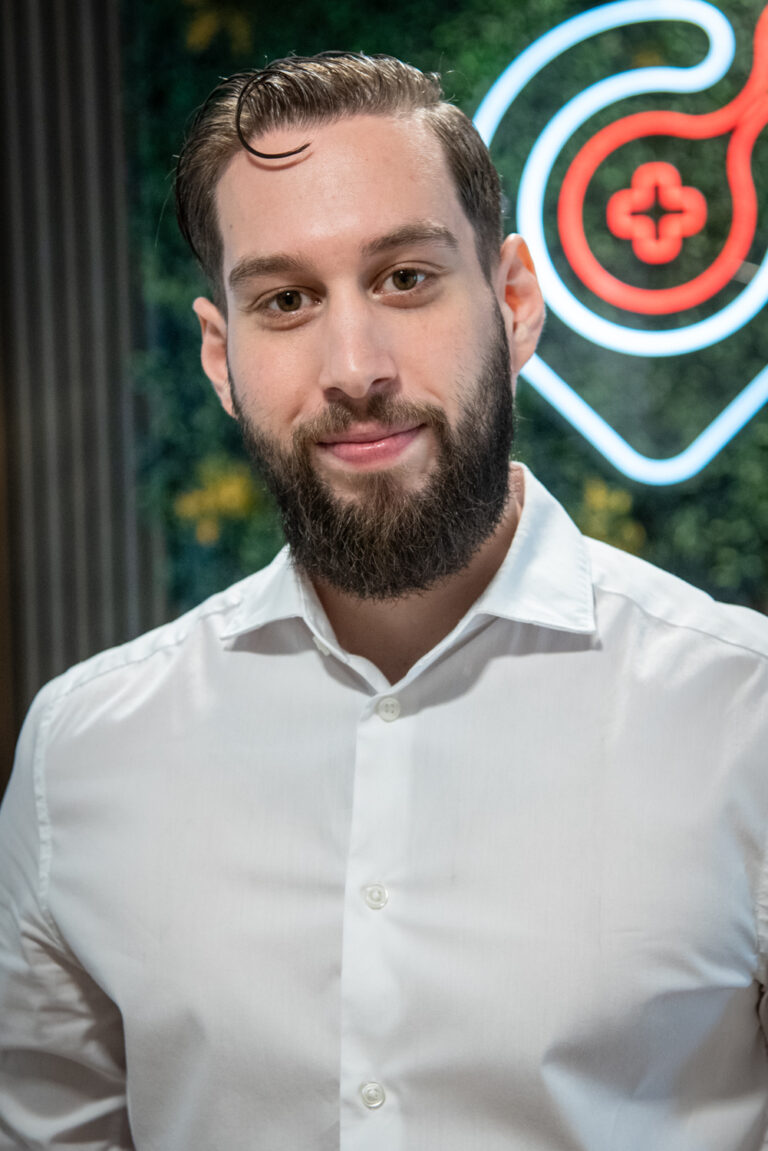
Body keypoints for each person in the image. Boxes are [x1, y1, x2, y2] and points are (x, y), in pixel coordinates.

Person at [1, 51, 767, 1151]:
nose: (353, 364)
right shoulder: (81, 753)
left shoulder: (746, 714)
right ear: (220, 355)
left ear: (512, 301)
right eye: (285, 299)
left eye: (405, 277)